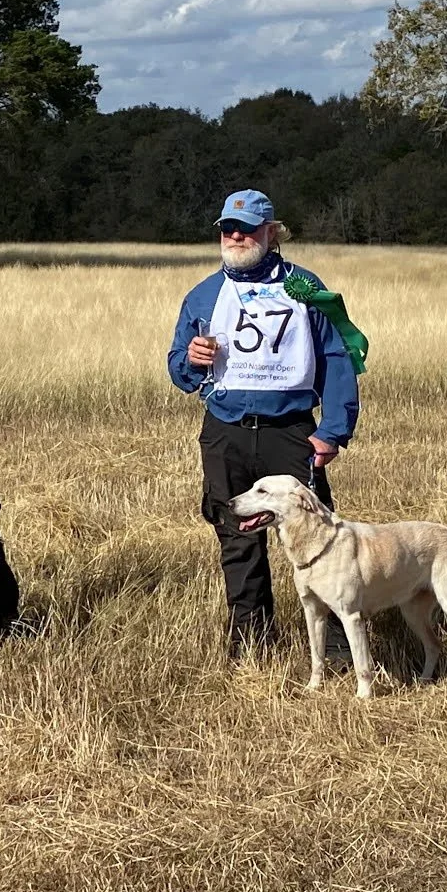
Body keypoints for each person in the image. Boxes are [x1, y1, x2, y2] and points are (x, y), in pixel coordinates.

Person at [168, 190, 361, 653]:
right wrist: (191, 360)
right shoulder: (203, 295)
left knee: (318, 537)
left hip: (290, 432)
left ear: (271, 233)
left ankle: (338, 649)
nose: (236, 237)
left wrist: (332, 431)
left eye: (247, 229)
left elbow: (337, 358)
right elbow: (178, 369)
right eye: (227, 229)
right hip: (226, 433)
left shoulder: (305, 287)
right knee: (236, 538)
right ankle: (251, 643)